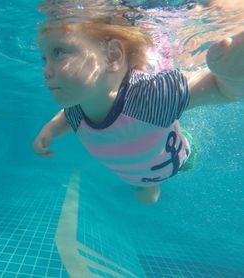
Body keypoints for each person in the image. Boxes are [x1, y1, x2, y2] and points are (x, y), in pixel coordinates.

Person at [33, 11, 244, 205]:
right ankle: (149, 183)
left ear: (113, 56)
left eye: (58, 52)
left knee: (181, 158)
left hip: (177, 159)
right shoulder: (77, 106)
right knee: (147, 195)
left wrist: (230, 74)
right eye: (44, 58)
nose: (45, 70)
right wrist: (50, 130)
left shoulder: (148, 97)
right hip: (140, 175)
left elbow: (221, 89)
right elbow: (68, 117)